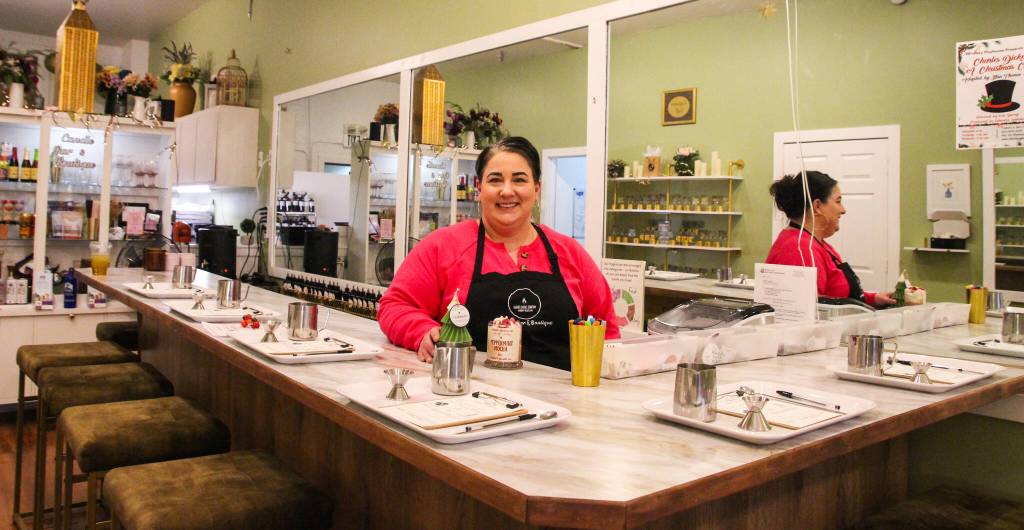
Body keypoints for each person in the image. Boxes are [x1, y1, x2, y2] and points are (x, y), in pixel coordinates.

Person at [379, 136, 620, 369]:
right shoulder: (443, 246)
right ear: (479, 188)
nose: (507, 191)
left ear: (537, 189)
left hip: (565, 402)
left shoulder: (570, 253)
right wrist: (422, 331)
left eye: (519, 180)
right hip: (470, 399)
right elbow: (395, 306)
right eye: (495, 180)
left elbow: (607, 332)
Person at [766, 171, 895, 307]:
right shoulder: (799, 250)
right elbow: (811, 310)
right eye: (838, 202)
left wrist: (873, 298)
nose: (843, 210)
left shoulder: (817, 244)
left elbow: (836, 293)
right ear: (817, 206)